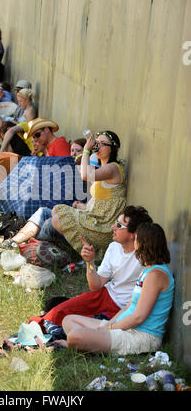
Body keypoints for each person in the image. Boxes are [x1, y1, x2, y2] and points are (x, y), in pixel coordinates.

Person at [28, 205, 153, 334]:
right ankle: (36, 329)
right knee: (59, 312)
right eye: (116, 222)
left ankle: (52, 332)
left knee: (80, 326)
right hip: (103, 296)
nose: (113, 227)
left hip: (121, 310)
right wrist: (90, 262)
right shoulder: (114, 247)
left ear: (133, 235)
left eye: (119, 226)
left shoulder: (145, 258)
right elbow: (96, 286)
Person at [55, 222, 174, 356]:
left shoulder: (156, 275)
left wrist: (109, 329)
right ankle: (89, 344)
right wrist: (110, 323)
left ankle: (78, 344)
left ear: (142, 244)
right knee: (69, 320)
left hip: (142, 336)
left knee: (74, 336)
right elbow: (129, 306)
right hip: (124, 328)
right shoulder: (148, 270)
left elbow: (138, 318)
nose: (134, 243)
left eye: (136, 239)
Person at [50, 130, 126, 259]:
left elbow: (85, 175)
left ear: (112, 148)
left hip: (104, 227)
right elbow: (100, 202)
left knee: (58, 217)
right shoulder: (101, 168)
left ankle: (87, 254)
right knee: (55, 211)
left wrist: (86, 150)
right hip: (96, 219)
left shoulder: (113, 168)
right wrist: (83, 207)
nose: (98, 146)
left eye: (103, 143)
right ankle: (81, 252)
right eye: (97, 143)